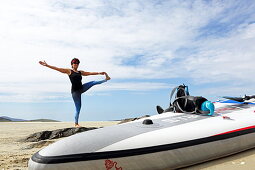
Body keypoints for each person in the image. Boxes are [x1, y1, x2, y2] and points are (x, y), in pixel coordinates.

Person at [39, 58, 111, 127]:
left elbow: (89, 73)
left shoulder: (80, 72)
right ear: (72, 64)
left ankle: (106, 79)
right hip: (75, 92)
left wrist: (98, 73)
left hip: (82, 88)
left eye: (77, 63)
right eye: (74, 63)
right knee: (78, 108)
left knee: (92, 82)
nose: (76, 64)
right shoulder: (69, 71)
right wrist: (47, 65)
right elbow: (58, 69)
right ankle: (76, 123)